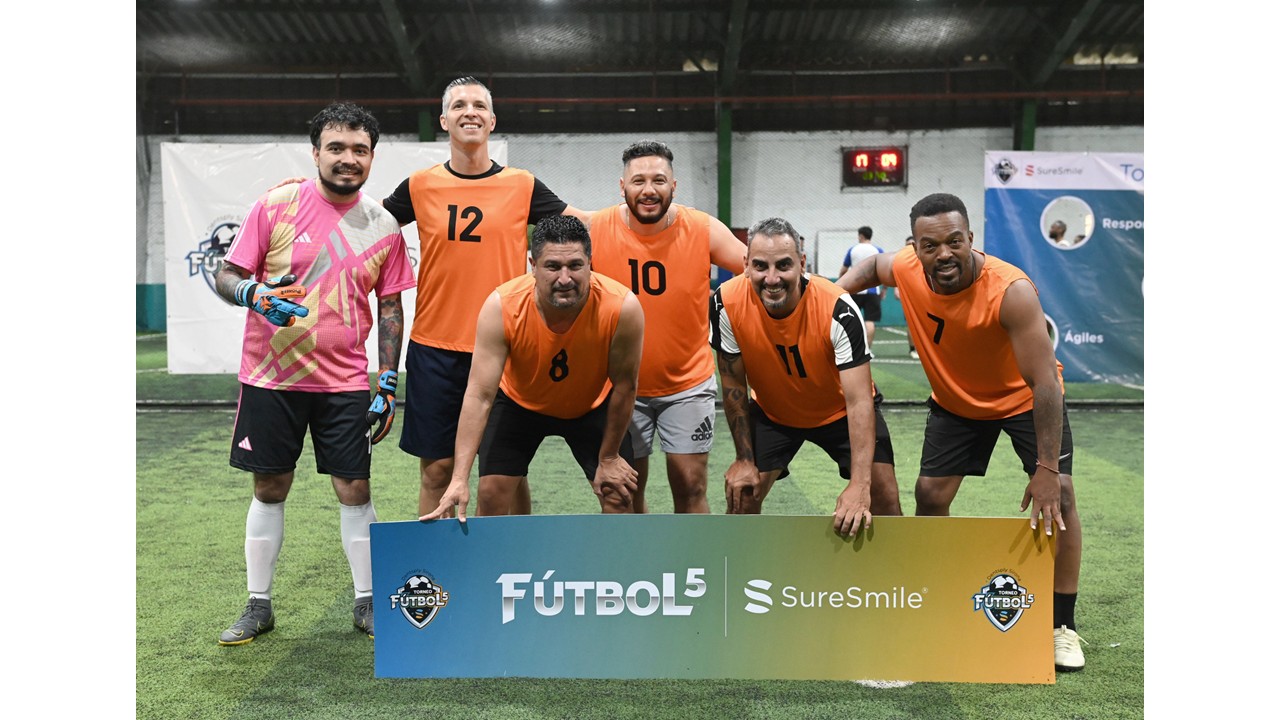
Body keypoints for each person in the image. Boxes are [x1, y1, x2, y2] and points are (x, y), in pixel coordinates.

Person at [836, 192, 1086, 672]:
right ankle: (933, 599)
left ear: (971, 238)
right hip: (956, 405)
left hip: (1023, 400)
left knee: (1063, 496)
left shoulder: (1011, 291)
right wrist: (830, 297)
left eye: (955, 241)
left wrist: (1047, 469)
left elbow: (1045, 385)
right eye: (930, 246)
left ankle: (1062, 626)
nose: (944, 254)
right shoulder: (907, 267)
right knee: (929, 495)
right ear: (916, 247)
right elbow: (871, 270)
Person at [213, 103, 416, 645]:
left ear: (372, 156)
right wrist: (253, 293)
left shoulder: (384, 226)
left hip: (344, 383)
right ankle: (258, 605)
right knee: (270, 485)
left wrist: (388, 382)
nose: (348, 158)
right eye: (337, 147)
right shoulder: (275, 205)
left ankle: (367, 601)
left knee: (355, 487)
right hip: (270, 379)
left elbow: (390, 307)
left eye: (360, 150)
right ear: (316, 152)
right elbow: (226, 274)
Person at [378, 76, 592, 517]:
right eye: (458, 105)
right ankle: (437, 559)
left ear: (492, 120)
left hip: (508, 347)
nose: (469, 112)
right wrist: (310, 194)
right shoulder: (419, 185)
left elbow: (584, 224)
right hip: (435, 349)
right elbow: (366, 222)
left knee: (507, 474)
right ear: (444, 120)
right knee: (437, 471)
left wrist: (638, 213)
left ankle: (516, 554)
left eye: (478, 105)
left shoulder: (522, 185)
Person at [421, 215, 645, 520]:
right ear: (533, 266)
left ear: (590, 264)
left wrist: (608, 458)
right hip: (520, 403)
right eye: (552, 266)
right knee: (491, 495)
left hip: (591, 404)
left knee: (619, 493)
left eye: (575, 266)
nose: (565, 278)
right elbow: (480, 394)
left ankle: (617, 554)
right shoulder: (502, 305)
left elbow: (625, 386)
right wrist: (459, 478)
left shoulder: (622, 306)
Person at [710, 217, 902, 536]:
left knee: (885, 499)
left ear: (801, 263)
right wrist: (744, 458)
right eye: (760, 266)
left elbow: (858, 402)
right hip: (774, 413)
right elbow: (733, 385)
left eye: (783, 265)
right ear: (745, 265)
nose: (772, 278)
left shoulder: (837, 308)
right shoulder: (725, 302)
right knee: (742, 497)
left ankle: (895, 566)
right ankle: (742, 566)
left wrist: (859, 484)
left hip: (840, 412)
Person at [587, 140, 744, 514]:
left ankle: (693, 555)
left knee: (691, 486)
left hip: (687, 384)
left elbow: (758, 269)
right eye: (638, 180)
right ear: (622, 186)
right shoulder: (596, 229)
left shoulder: (702, 228)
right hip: (620, 387)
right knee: (623, 493)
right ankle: (636, 555)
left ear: (673, 185)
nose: (648, 190)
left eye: (658, 180)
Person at [838, 226, 884, 347]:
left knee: (852, 320)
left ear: (860, 236)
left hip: (855, 290)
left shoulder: (853, 250)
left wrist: (840, 285)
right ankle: (868, 350)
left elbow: (843, 270)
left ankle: (853, 349)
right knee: (870, 320)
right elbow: (884, 270)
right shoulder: (878, 250)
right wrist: (884, 289)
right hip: (873, 291)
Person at [899, 235, 918, 360]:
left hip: (925, 296)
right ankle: (913, 349)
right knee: (911, 324)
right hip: (910, 297)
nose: (909, 248)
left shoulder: (924, 258)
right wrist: (897, 290)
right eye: (907, 245)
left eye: (911, 245)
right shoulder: (902, 260)